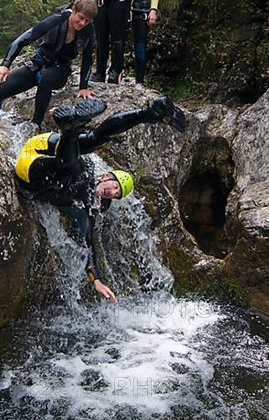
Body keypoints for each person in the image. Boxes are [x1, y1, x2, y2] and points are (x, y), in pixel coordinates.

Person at [15, 95, 186, 302]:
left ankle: (151, 113)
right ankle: (72, 129)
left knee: (86, 148)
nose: (112, 192)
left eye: (116, 194)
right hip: (36, 154)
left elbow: (87, 243)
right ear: (105, 176)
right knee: (85, 151)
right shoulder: (87, 170)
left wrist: (96, 280)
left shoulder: (87, 207)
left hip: (39, 176)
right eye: (114, 186)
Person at [0, 0, 98, 134]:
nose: (82, 23)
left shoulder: (88, 30)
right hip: (39, 62)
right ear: (73, 10)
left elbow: (88, 58)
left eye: (87, 21)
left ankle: (35, 125)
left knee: (45, 77)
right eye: (81, 18)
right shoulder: (55, 21)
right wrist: (5, 65)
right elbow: (22, 40)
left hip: (59, 70)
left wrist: (83, 87)